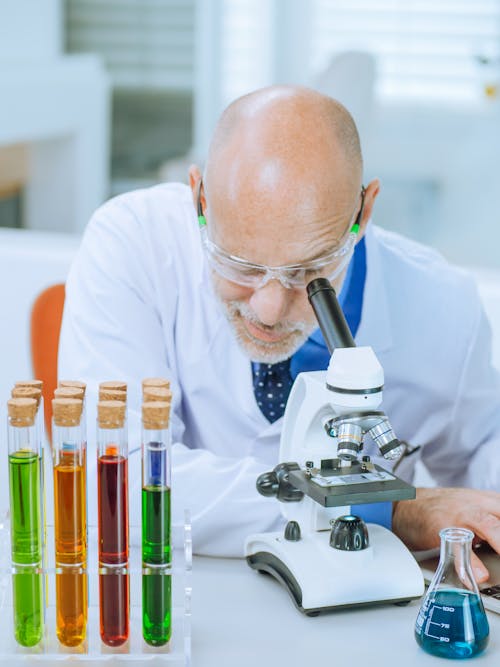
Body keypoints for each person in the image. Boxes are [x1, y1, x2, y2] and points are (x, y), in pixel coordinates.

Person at [59, 85, 500, 579]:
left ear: (364, 211)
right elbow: (115, 479)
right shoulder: (132, 245)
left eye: (309, 270)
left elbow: (486, 448)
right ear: (200, 197)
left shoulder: (442, 306)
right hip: (185, 600)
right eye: (238, 264)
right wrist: (387, 511)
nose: (268, 309)